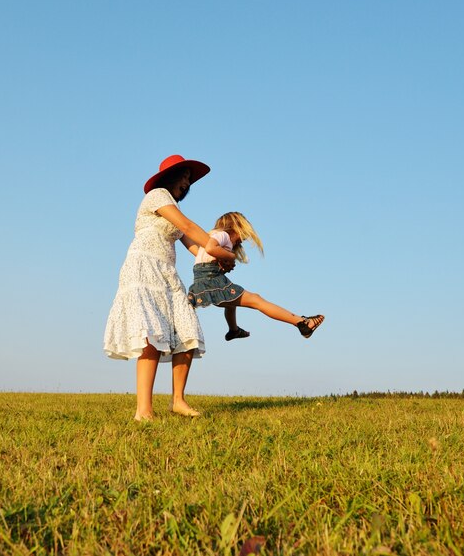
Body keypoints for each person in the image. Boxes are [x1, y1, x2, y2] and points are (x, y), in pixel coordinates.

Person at [103, 154, 235, 422]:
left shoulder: (173, 208)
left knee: (187, 332)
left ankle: (178, 401)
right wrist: (222, 252)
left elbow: (197, 248)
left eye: (189, 180)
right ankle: (144, 411)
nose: (187, 183)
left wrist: (217, 261)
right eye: (184, 177)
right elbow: (189, 227)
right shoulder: (157, 195)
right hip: (144, 268)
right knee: (151, 337)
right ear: (169, 177)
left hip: (167, 275)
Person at [187, 211, 325, 340]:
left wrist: (222, 261)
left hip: (203, 281)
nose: (241, 242)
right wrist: (230, 256)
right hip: (211, 280)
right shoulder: (223, 235)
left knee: (231, 302)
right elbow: (211, 249)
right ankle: (302, 323)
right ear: (238, 226)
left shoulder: (214, 236)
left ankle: (233, 330)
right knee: (257, 300)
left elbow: (206, 255)